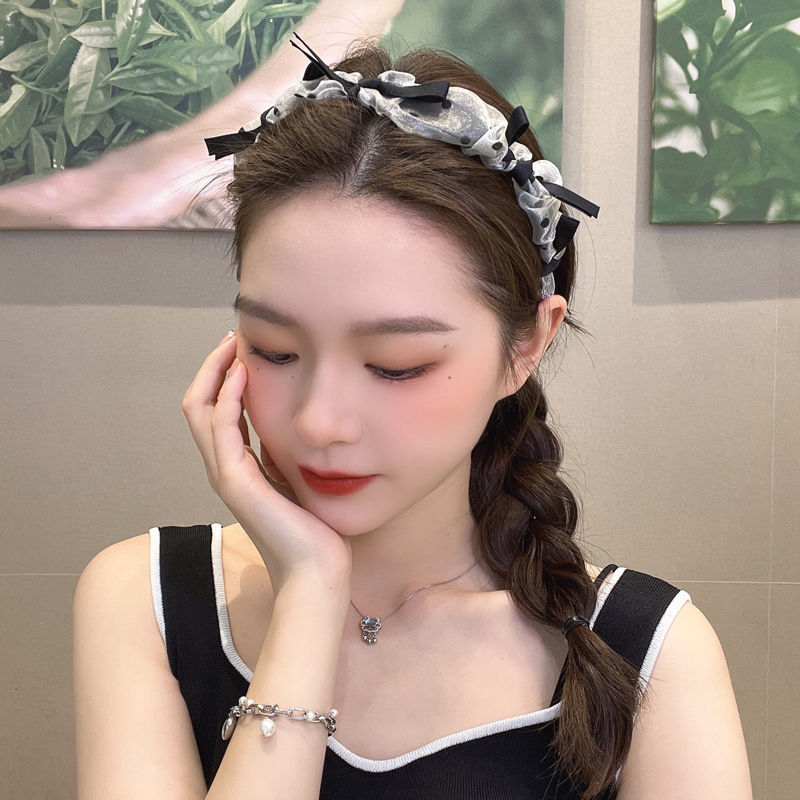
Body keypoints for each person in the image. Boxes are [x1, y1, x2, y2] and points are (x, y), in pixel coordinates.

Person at [72, 36, 753, 800]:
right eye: (274, 350)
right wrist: (309, 595)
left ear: (526, 346)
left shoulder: (651, 653)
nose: (321, 422)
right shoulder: (146, 599)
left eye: (397, 365)